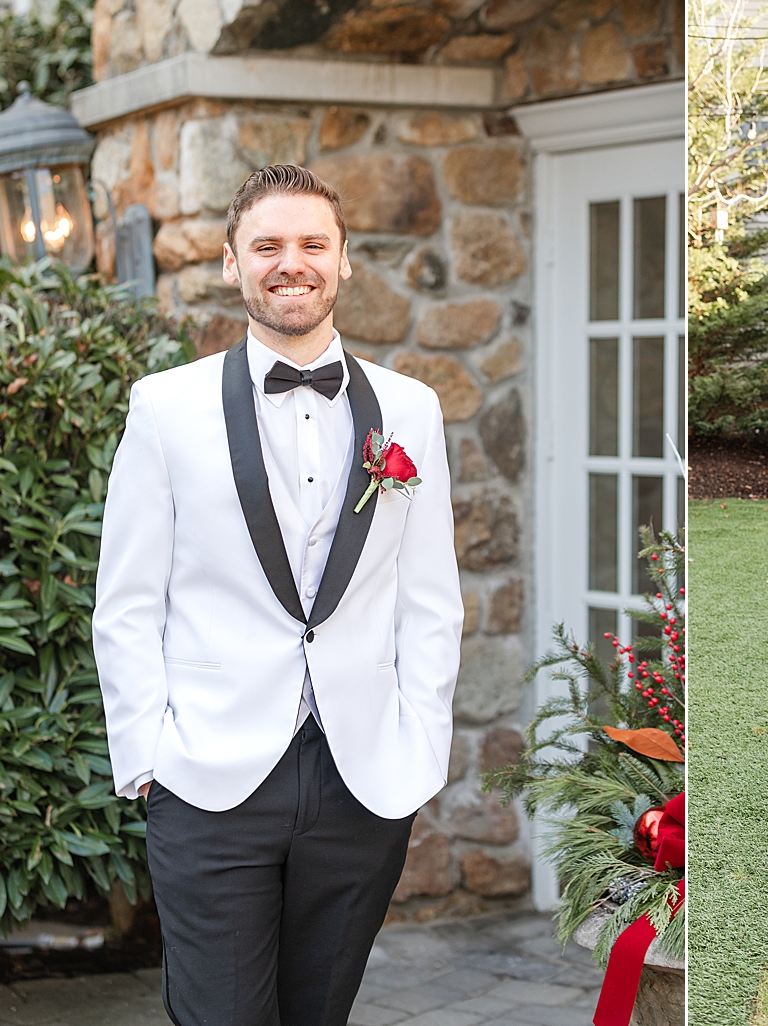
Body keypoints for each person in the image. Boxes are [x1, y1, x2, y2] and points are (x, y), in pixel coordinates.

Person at [93, 164, 463, 1025]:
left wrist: (420, 744)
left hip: (361, 777)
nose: (288, 262)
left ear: (343, 263)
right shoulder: (164, 409)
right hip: (206, 778)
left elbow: (431, 596)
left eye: (310, 244)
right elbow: (127, 600)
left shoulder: (412, 411)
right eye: (267, 245)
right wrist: (148, 759)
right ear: (232, 262)